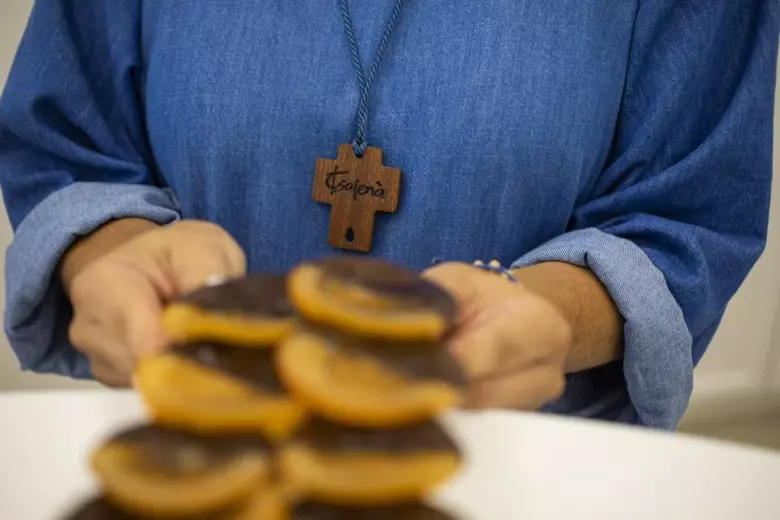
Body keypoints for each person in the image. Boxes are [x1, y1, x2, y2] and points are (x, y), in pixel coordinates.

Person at [0, 1, 776, 430]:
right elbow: (71, 144)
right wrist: (116, 252)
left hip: (532, 472)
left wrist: (552, 312)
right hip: (202, 458)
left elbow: (688, 214)